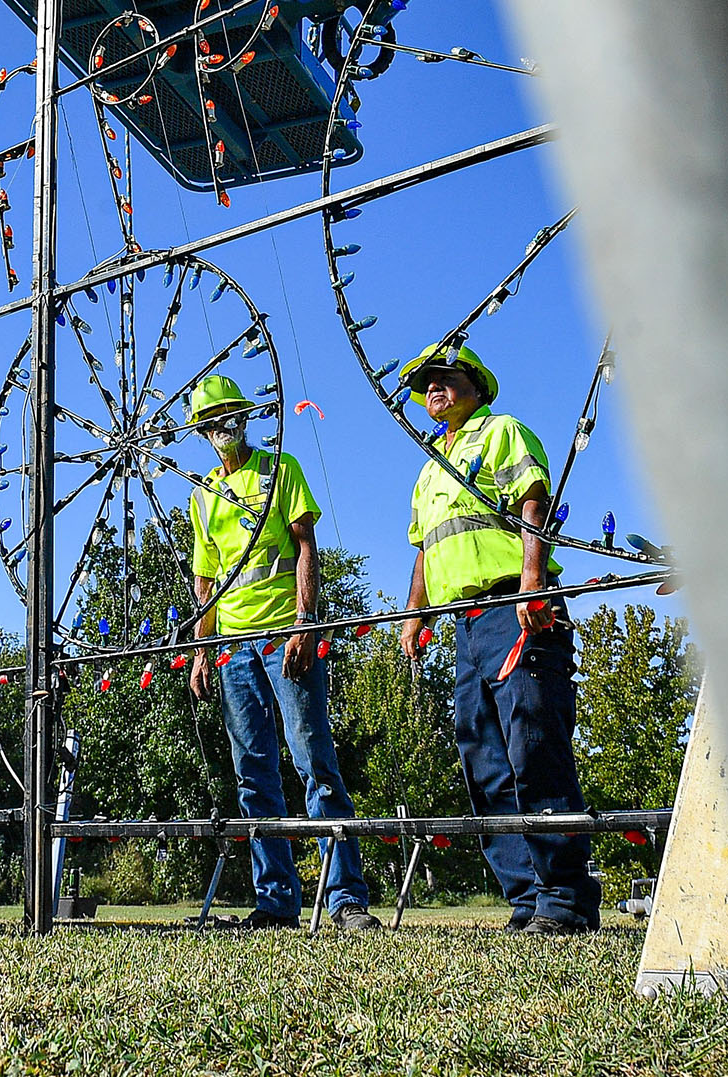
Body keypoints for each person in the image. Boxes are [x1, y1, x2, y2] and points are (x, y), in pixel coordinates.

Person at [396, 342, 599, 935]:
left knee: (534, 745)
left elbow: (533, 502)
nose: (436, 388)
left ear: (475, 386)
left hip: (517, 606)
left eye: (448, 377)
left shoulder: (501, 433)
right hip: (465, 623)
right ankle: (526, 898)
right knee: (482, 757)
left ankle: (564, 897)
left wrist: (532, 581)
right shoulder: (430, 467)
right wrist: (417, 613)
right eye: (428, 381)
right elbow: (424, 548)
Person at [183, 376, 378, 933]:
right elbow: (205, 582)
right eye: (211, 420)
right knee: (253, 775)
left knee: (313, 759)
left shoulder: (279, 469)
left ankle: (346, 900)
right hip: (231, 650)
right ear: (201, 431)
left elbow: (306, 548)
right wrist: (202, 652)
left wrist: (304, 623)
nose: (222, 427)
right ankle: (276, 901)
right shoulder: (200, 496)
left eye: (229, 416)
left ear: (245, 418)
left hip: (283, 638)